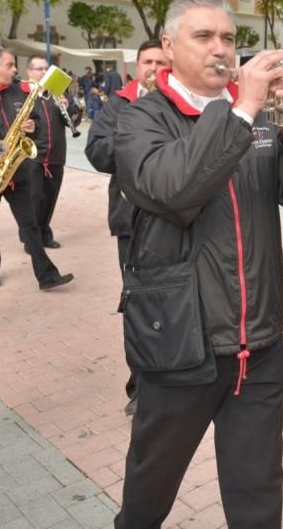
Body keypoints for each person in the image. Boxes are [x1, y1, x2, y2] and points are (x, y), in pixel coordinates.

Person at [113, 0, 283, 526]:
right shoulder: (142, 118)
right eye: (204, 36)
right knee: (149, 492)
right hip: (180, 344)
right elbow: (173, 189)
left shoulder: (261, 116)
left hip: (258, 344)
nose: (221, 49)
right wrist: (241, 110)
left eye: (228, 38)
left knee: (258, 494)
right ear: (168, 47)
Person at [85, 37, 169, 416]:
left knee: (174, 299)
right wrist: (132, 136)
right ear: (137, 66)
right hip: (131, 222)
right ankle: (139, 387)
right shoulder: (119, 102)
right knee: (136, 304)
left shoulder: (176, 102)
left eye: (161, 62)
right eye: (148, 61)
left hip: (172, 218)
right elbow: (96, 151)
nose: (154, 68)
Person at [0, 46, 73, 290]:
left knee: (30, 224)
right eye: (10, 65)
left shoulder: (20, 92)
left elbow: (39, 124)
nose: (15, 70)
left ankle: (46, 275)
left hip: (18, 170)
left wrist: (33, 127)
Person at [21, 55, 79, 249]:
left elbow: (74, 121)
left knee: (50, 198)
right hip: (33, 156)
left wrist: (68, 106)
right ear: (29, 72)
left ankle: (45, 233)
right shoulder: (23, 95)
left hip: (56, 155)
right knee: (34, 199)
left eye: (46, 68)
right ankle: (32, 239)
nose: (43, 72)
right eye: (38, 69)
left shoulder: (57, 93)